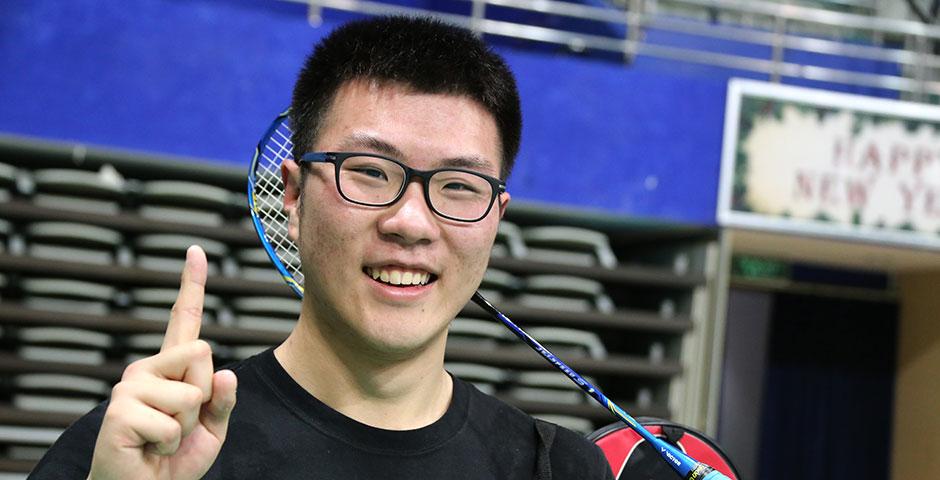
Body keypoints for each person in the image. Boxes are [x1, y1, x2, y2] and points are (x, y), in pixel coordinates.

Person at [29, 16, 614, 480]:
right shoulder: (143, 449)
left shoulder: (558, 468)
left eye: (459, 186)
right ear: (293, 193)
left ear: (495, 218)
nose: (411, 222)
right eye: (369, 171)